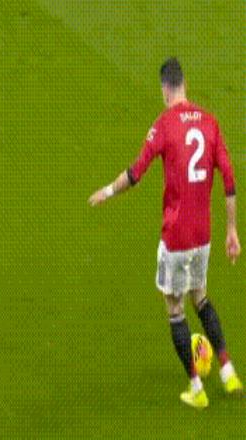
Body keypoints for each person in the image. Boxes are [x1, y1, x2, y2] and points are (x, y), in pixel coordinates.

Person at [88, 58, 242, 408]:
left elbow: (136, 172)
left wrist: (107, 192)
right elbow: (229, 179)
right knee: (200, 297)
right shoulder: (210, 122)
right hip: (203, 235)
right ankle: (227, 370)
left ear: (164, 88)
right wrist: (232, 230)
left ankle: (197, 389)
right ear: (184, 83)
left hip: (176, 236)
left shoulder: (164, 125)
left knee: (175, 309)